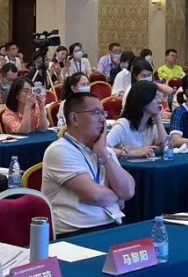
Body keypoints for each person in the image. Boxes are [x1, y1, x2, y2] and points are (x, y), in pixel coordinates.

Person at [41, 91, 135, 234]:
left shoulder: (102, 149)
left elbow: (128, 191)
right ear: (74, 118)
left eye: (103, 113)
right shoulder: (59, 150)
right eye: (96, 113)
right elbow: (94, 195)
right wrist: (118, 196)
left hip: (112, 225)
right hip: (76, 232)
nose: (103, 119)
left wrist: (103, 153)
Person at [106, 80, 168, 159]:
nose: (159, 101)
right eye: (154, 97)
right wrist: (131, 153)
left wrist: (158, 120)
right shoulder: (123, 125)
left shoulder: (151, 125)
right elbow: (103, 149)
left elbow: (166, 148)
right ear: (143, 99)